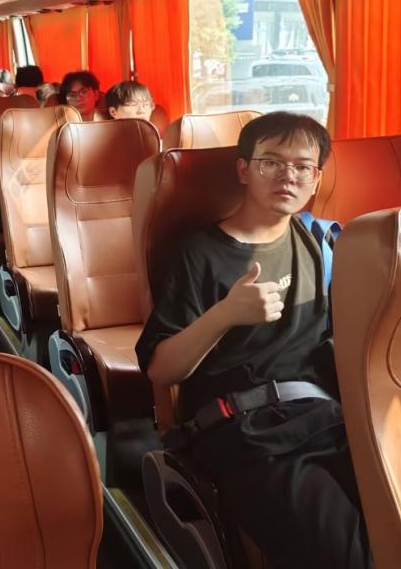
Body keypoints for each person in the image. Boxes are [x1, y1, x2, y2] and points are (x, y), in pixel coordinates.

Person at [135, 112, 372, 569]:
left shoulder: (322, 242)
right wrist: (226, 314)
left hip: (328, 418)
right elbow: (162, 369)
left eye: (302, 166)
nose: (288, 176)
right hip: (247, 430)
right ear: (244, 169)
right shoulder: (199, 253)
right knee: (352, 556)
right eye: (272, 162)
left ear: (316, 179)